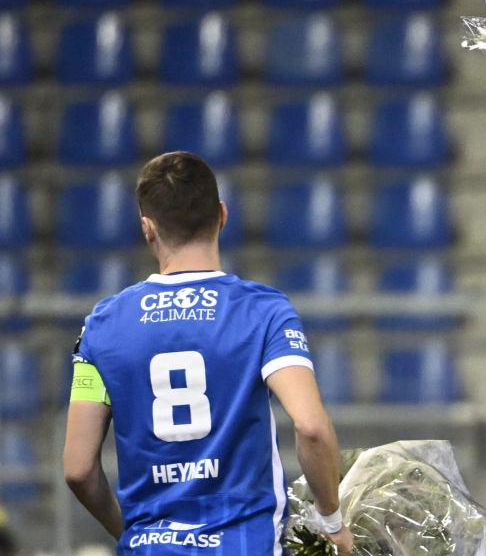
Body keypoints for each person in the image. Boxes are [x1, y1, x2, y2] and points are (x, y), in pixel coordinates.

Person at [62, 152, 353, 556]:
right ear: (221, 215)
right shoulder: (263, 311)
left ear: (147, 229)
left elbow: (77, 468)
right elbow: (311, 427)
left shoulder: (101, 326)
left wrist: (129, 533)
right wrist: (331, 521)